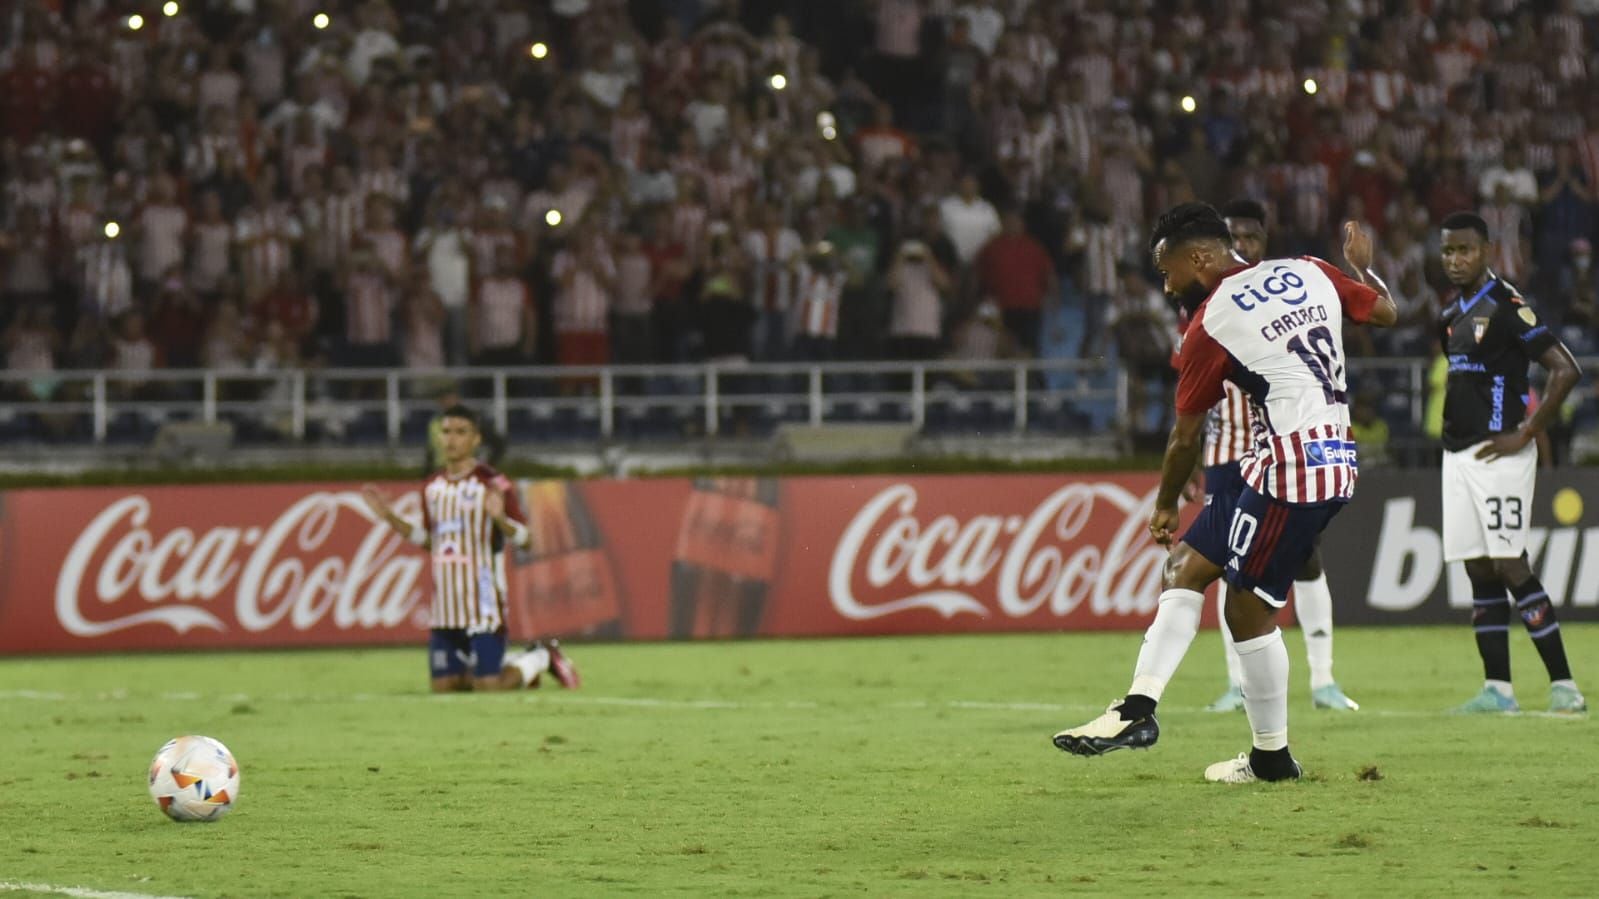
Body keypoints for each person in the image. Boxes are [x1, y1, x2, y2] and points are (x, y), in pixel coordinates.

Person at [1052, 203, 1396, 783]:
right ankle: (1137, 709)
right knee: (1185, 567)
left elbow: (1186, 433)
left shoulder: (1211, 322)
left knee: (1247, 608)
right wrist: (1362, 269)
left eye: (1169, 271)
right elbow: (1385, 311)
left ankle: (1272, 761)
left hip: (1291, 466)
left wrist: (1163, 504)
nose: (1166, 285)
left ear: (1201, 258)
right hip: (1321, 455)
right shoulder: (1310, 268)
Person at [1203, 199, 1360, 714]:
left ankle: (1324, 679)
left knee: (1307, 555)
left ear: (1265, 240)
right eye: (1234, 238)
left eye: (1250, 237)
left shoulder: (1290, 289)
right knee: (1231, 566)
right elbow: (1187, 398)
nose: (1242, 246)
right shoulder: (1206, 300)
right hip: (1226, 451)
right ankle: (1236, 682)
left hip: (1286, 449)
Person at [1435, 211, 1586, 714]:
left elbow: (1565, 369)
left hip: (1500, 455)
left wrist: (1526, 432)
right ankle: (1498, 689)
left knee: (1509, 562)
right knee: (1478, 567)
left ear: (1487, 253)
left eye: (1465, 251)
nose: (1456, 260)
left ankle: (1565, 684)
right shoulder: (1450, 314)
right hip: (1457, 454)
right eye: (1448, 252)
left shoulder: (1505, 305)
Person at [366, 404, 578, 693]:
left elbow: (526, 539)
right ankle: (509, 663)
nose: (451, 440)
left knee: (488, 686)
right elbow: (433, 541)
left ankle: (540, 656)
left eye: (460, 432)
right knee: (445, 687)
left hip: (484, 604)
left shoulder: (493, 483)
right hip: (446, 606)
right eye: (446, 432)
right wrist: (391, 519)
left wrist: (500, 519)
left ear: (476, 439)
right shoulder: (432, 487)